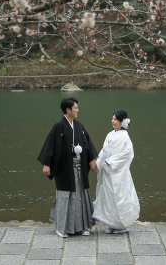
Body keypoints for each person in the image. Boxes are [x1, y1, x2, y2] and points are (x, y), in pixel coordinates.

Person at [37, 97, 99, 237]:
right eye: (75, 107)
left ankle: (82, 226)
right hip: (65, 168)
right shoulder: (59, 125)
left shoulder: (79, 126)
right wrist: (47, 164)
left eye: (77, 107)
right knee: (65, 197)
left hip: (79, 168)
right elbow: (50, 145)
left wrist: (92, 159)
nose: (78, 110)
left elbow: (87, 143)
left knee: (81, 196)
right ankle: (61, 228)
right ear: (68, 109)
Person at [92, 110, 140, 234]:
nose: (113, 121)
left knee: (119, 196)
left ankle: (121, 225)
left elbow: (127, 154)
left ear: (122, 122)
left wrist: (112, 161)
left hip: (117, 172)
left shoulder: (125, 136)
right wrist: (98, 163)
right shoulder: (110, 134)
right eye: (112, 119)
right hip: (107, 172)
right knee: (108, 197)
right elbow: (104, 150)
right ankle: (111, 223)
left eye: (115, 119)